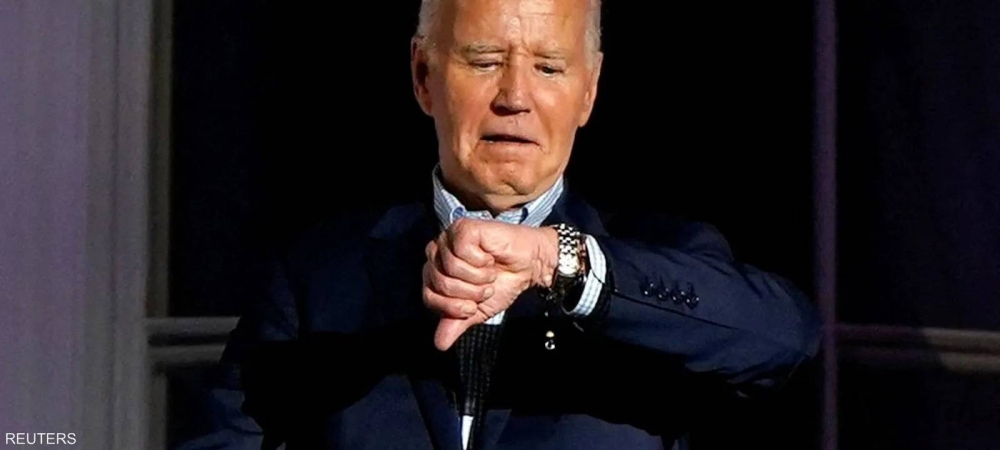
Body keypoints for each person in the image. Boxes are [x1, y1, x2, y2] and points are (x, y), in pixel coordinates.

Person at [178, 0, 822, 448]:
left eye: (549, 68)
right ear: (423, 76)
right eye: (484, 61)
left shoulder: (663, 254)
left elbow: (786, 337)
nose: (515, 96)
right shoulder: (316, 278)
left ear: (589, 91)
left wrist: (555, 261)